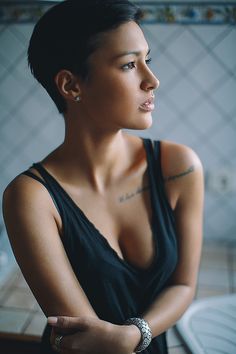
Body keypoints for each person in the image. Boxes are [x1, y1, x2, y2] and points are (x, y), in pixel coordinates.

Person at [2, 0, 204, 353]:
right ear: (70, 85)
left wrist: (133, 334)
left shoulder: (179, 167)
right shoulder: (31, 197)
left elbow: (184, 285)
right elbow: (85, 337)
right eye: (129, 64)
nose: (152, 80)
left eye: (148, 60)